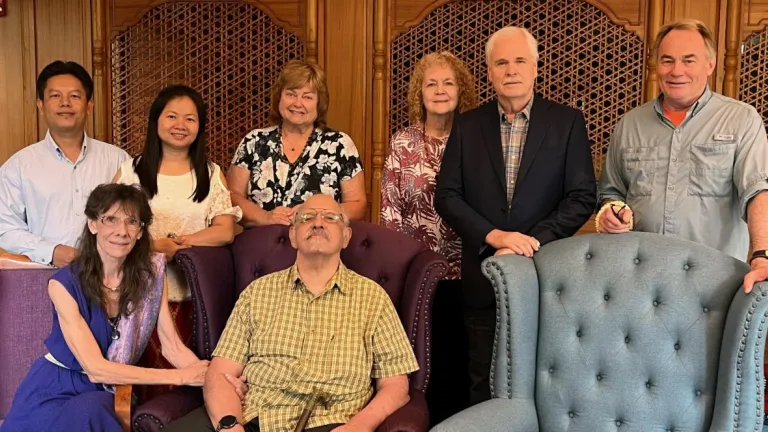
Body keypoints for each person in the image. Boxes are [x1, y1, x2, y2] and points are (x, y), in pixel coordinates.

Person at [434, 27, 597, 405]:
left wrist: (529, 242)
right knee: (481, 382)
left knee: (543, 385)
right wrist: (494, 236)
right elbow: (447, 195)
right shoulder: (468, 125)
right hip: (483, 277)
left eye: (520, 61)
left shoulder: (567, 122)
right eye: (501, 62)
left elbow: (580, 196)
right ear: (489, 72)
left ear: (536, 67)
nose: (511, 70)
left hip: (547, 276)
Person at [165, 193, 419, 432]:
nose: (318, 223)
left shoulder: (373, 298)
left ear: (346, 237)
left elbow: (395, 384)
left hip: (330, 421)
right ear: (293, 235)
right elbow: (220, 372)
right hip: (255, 416)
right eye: (306, 218)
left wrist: (360, 425)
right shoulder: (258, 292)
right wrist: (230, 426)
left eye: (330, 218)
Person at [0, 184, 209, 432]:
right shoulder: (63, 283)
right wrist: (181, 377)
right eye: (110, 219)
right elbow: (96, 369)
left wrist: (210, 378)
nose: (121, 231)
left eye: (132, 221)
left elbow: (173, 347)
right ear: (93, 224)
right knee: (87, 410)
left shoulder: (151, 276)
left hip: (105, 390)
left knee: (90, 408)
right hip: (55, 387)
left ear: (140, 231)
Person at [596, 19, 768, 293]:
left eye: (689, 60)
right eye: (667, 60)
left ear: (709, 65)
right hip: (639, 282)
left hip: (714, 284)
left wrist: (762, 255)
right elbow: (610, 192)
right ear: (656, 65)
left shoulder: (741, 120)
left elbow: (757, 191)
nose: (677, 71)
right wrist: (609, 213)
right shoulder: (629, 124)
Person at [114, 84, 241, 399]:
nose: (180, 125)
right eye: (171, 116)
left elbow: (224, 230)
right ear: (156, 120)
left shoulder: (210, 173)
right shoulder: (131, 170)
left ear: (200, 126)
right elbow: (114, 230)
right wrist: (155, 247)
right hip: (141, 296)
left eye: (190, 119)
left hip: (195, 299)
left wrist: (178, 243)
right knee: (146, 389)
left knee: (188, 387)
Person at [379, 51, 478, 422]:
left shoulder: (475, 141)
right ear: (419, 93)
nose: (439, 90)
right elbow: (390, 209)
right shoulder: (403, 142)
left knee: (458, 357)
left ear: (461, 91)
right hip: (416, 271)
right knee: (419, 357)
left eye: (448, 83)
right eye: (431, 84)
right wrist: (403, 268)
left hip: (464, 270)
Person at [0, 61, 128, 267]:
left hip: (110, 280)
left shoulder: (118, 160)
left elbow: (134, 218)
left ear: (89, 106)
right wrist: (50, 251)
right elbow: (4, 228)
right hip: (43, 279)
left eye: (75, 96)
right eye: (55, 96)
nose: (65, 103)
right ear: (40, 106)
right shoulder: (18, 166)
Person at [227, 60, 366, 226]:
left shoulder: (340, 144)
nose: (297, 103)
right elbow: (232, 196)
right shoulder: (254, 141)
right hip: (262, 243)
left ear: (319, 103)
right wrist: (265, 217)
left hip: (319, 243)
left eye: (307, 97)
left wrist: (315, 214)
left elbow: (358, 205)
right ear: (279, 97)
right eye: (291, 94)